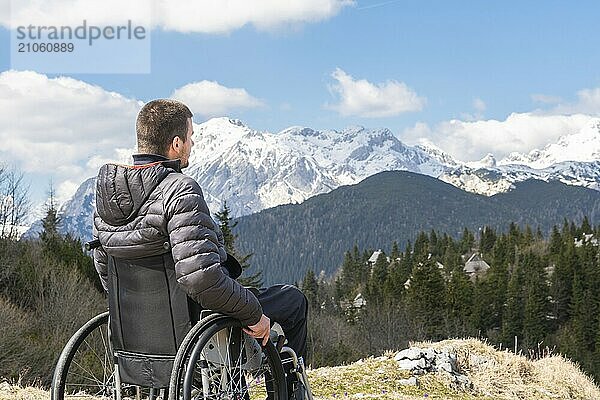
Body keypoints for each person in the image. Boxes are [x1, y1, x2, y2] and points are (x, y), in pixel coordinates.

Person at [92, 99, 307, 397]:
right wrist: (253, 314)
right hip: (196, 321)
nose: (192, 144)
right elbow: (199, 278)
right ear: (176, 143)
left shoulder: (108, 199)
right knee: (293, 301)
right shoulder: (179, 190)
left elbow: (106, 268)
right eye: (191, 137)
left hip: (137, 331)